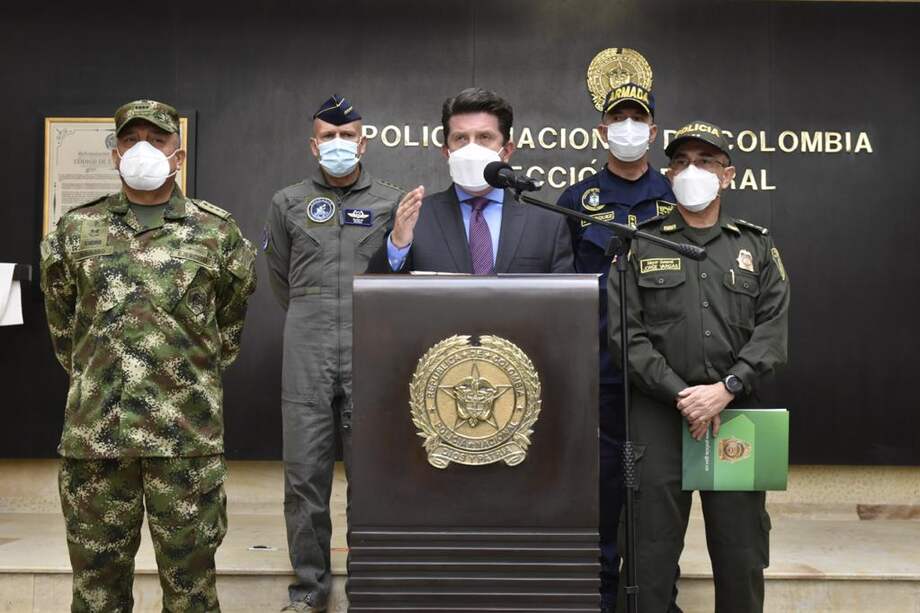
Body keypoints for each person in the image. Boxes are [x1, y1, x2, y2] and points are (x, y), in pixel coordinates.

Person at [39, 98, 257, 612]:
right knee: (96, 592)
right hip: (97, 440)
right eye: (130, 140)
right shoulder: (76, 231)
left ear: (177, 156)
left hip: (185, 441)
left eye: (156, 140)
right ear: (115, 154)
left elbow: (227, 329)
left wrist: (180, 379)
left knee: (191, 592)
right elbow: (64, 331)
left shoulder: (216, 231)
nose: (142, 149)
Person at [608, 120, 790, 612]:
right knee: (648, 552)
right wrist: (682, 394)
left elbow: (772, 331)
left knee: (741, 550)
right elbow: (627, 336)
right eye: (682, 162)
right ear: (668, 175)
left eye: (706, 162)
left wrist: (726, 387)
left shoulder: (755, 247)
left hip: (736, 413)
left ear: (727, 176)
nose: (693, 170)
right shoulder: (639, 244)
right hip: (659, 414)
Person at [263, 94, 404, 613]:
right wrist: (314, 316)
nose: (338, 144)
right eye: (329, 136)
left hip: (372, 348)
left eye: (348, 136)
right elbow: (280, 278)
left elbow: (404, 275)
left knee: (372, 477)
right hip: (307, 348)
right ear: (313, 144)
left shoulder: (391, 202)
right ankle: (308, 592)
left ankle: (369, 589)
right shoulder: (287, 202)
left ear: (365, 142)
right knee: (304, 478)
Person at [555, 82, 675, 611]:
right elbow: (561, 287)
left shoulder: (676, 197)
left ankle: (655, 595)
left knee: (656, 496)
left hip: (661, 374)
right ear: (603, 131)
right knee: (602, 492)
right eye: (617, 119)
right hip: (600, 372)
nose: (627, 128)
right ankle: (600, 596)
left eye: (637, 120)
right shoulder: (577, 199)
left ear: (652, 132)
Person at [367, 87, 574, 274]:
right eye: (461, 138)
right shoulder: (417, 219)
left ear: (507, 150)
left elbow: (565, 304)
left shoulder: (547, 226)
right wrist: (399, 245)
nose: (471, 148)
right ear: (447, 151)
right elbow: (378, 294)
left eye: (485, 137)